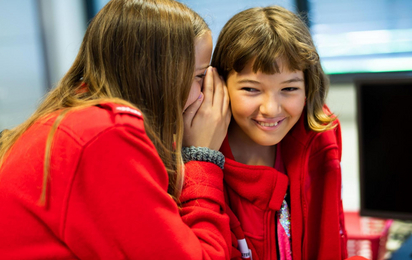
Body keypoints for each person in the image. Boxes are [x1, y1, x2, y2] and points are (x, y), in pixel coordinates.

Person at [0, 0, 231, 259]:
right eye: (200, 77)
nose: (204, 96)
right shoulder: (104, 135)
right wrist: (202, 159)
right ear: (160, 76)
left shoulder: (76, 119)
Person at [211, 6, 363, 260]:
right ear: (220, 85)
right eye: (251, 89)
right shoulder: (202, 156)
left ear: (308, 88)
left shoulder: (321, 133)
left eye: (289, 88)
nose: (271, 109)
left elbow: (333, 235)